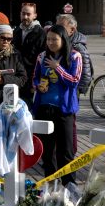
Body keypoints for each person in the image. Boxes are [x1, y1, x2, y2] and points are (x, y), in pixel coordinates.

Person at [32, 25, 82, 186]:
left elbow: (74, 81)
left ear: (63, 40)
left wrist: (57, 68)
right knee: (47, 153)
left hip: (64, 110)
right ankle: (50, 186)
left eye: (55, 39)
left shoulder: (74, 56)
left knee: (66, 151)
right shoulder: (41, 56)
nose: (51, 42)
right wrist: (38, 85)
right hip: (44, 109)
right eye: (48, 39)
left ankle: (69, 186)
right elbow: (35, 78)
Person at [56, 13, 93, 154]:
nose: (57, 29)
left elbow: (86, 72)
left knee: (70, 122)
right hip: (61, 88)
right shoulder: (61, 41)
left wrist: (78, 91)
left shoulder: (78, 46)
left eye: (61, 26)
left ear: (72, 29)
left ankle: (71, 151)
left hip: (72, 89)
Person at [12, 2, 46, 106]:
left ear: (35, 15)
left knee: (29, 109)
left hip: (31, 80)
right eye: (23, 14)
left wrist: (37, 81)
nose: (25, 17)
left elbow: (43, 59)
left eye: (28, 14)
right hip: (16, 78)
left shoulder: (41, 33)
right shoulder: (16, 31)